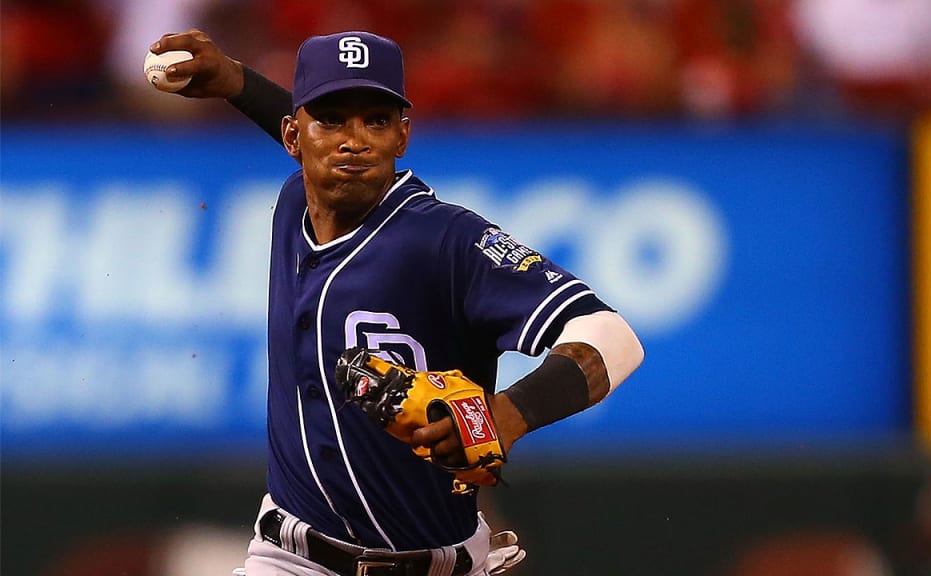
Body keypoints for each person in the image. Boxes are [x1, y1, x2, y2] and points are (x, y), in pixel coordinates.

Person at [149, 29, 644, 576]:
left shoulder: (446, 240)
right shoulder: (295, 203)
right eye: (332, 118)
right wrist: (237, 82)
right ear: (293, 135)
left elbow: (614, 338)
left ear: (402, 136)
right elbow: (321, 150)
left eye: (377, 120)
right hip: (290, 560)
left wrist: (505, 416)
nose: (354, 140)